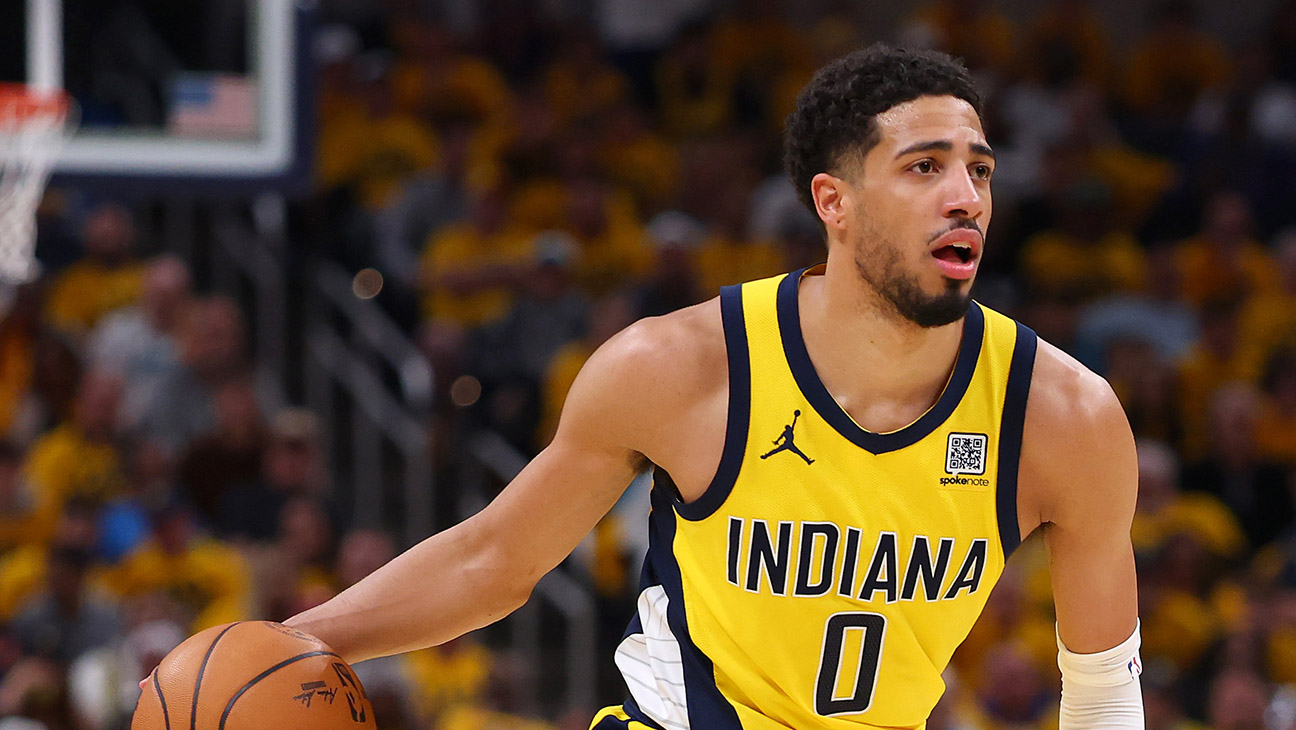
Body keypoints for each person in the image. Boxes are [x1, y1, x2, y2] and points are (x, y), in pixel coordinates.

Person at [285, 45, 1143, 729]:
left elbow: (1103, 695)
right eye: (925, 168)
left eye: (980, 171)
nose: (966, 197)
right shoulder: (680, 367)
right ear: (833, 202)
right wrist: (297, 639)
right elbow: (493, 560)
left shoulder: (1062, 418)